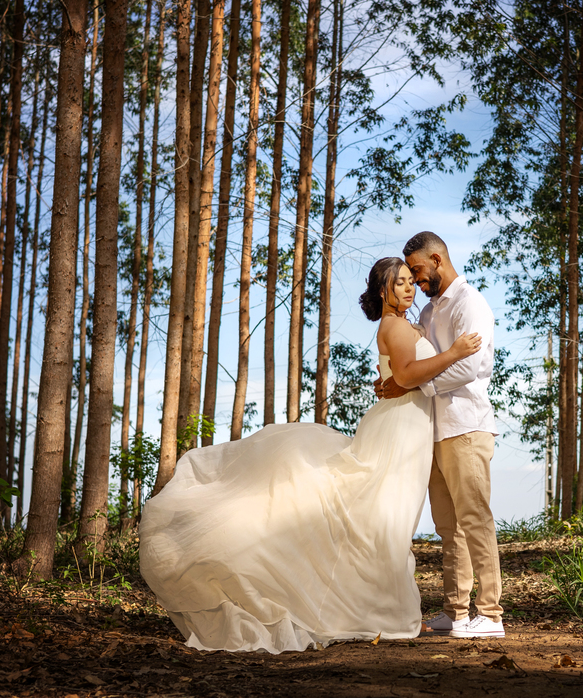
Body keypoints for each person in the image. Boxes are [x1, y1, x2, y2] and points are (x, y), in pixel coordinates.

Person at [139, 256, 480, 653]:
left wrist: (400, 377)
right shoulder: (393, 325)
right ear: (383, 291)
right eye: (399, 282)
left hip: (407, 425)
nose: (407, 288)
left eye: (409, 281)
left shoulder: (402, 324)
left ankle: (376, 605)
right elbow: (406, 376)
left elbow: (398, 378)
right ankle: (380, 611)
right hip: (400, 430)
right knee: (382, 516)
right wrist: (455, 352)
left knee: (386, 516)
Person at [374, 231, 505, 639]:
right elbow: (414, 363)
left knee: (475, 519)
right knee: (449, 527)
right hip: (433, 430)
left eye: (417, 271)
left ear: (436, 258)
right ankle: (457, 611)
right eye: (408, 276)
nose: (415, 280)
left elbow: (472, 368)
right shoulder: (429, 313)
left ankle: (491, 615)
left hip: (466, 425)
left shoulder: (471, 304)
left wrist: (414, 385)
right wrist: (401, 382)